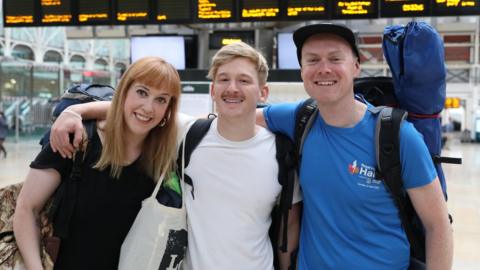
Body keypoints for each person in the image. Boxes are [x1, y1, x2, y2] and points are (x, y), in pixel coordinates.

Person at [46, 42, 301, 270]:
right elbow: (130, 109)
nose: (232, 88)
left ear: (263, 93)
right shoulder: (188, 133)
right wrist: (76, 111)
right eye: (224, 79)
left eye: (244, 81)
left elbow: (288, 229)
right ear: (213, 90)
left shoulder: (281, 153)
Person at [256, 23, 453, 269]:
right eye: (312, 60)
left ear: (356, 67)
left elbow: (438, 225)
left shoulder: (398, 136)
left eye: (335, 58)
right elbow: (240, 119)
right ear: (302, 71)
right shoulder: (299, 118)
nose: (324, 69)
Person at [13, 56, 182, 270]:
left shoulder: (163, 155)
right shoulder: (77, 139)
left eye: (161, 99)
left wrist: (76, 110)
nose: (148, 107)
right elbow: (27, 208)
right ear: (124, 93)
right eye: (142, 92)